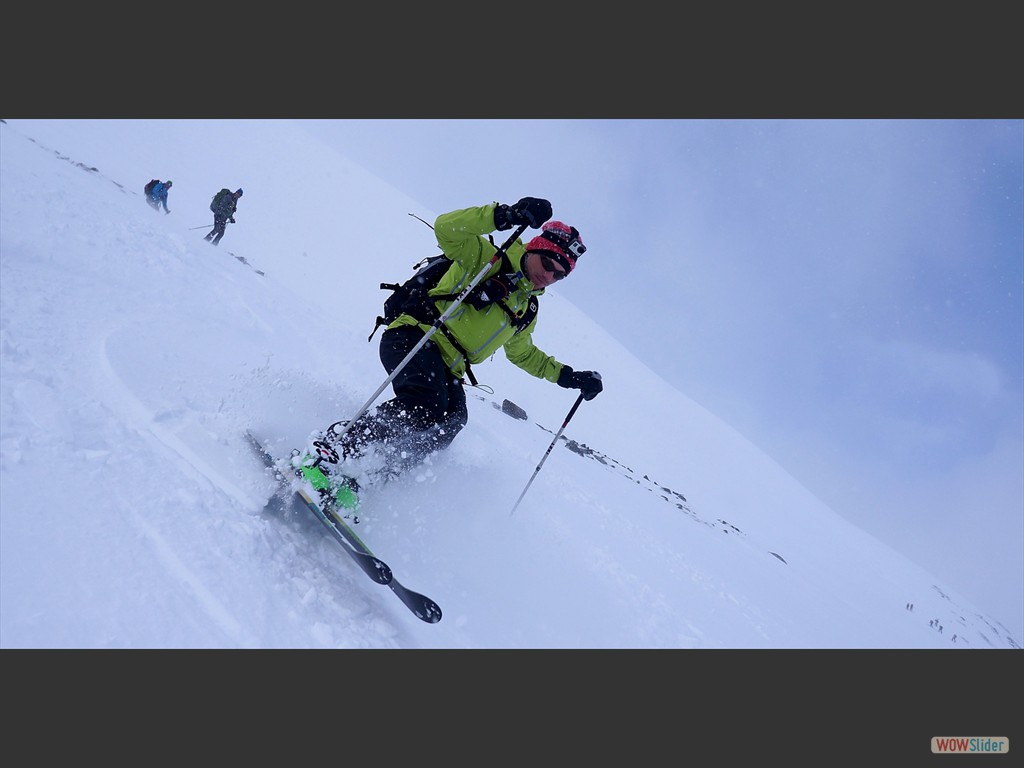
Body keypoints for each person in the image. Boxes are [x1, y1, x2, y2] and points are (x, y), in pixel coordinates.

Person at [316, 197, 604, 489]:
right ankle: (336, 448)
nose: (549, 275)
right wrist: (505, 215)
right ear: (535, 248)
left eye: (559, 274)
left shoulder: (525, 309)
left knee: (451, 422)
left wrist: (568, 377)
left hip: (448, 368)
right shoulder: (487, 257)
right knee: (426, 405)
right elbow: (446, 228)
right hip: (415, 336)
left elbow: (523, 354)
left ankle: (370, 478)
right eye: (547, 263)